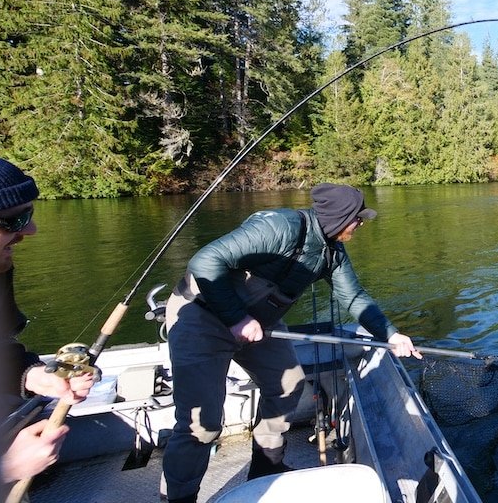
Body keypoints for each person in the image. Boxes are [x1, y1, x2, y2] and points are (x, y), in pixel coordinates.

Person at [160, 183, 421, 503]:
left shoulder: (332, 252)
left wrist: (391, 335)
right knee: (203, 425)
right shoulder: (277, 228)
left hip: (260, 325)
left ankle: (265, 468)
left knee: (288, 384)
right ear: (339, 217)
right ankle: (179, 499)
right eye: (357, 218)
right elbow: (205, 261)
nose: (361, 224)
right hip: (201, 318)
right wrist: (236, 319)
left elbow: (354, 297)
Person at [0, 155, 93, 489]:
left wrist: (34, 376)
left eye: (30, 214)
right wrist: (5, 468)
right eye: (16, 219)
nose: (31, 230)